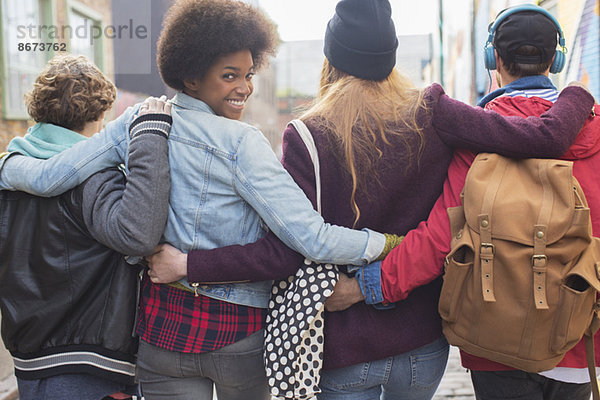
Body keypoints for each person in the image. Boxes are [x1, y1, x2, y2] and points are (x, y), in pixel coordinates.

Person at [143, 1, 595, 399]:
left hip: (342, 345)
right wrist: (577, 92)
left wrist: (188, 264)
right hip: (423, 345)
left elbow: (284, 249)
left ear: (332, 56)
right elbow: (541, 137)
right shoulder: (434, 109)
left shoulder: (306, 135)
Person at [325, 4, 600, 400]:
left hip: (492, 340)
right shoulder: (592, 129)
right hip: (576, 339)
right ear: (555, 59)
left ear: (495, 59)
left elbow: (442, 236)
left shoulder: (478, 135)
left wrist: (368, 286)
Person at [0, 54, 173, 400]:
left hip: (27, 355)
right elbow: (137, 235)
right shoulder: (95, 179)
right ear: (99, 115)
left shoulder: (10, 170)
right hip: (88, 361)